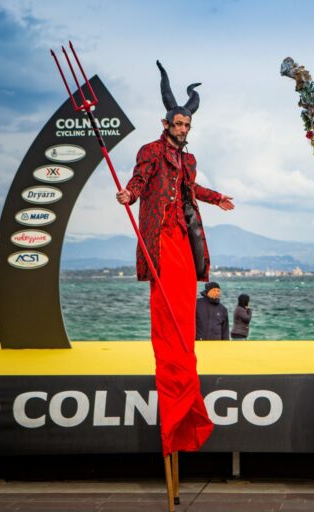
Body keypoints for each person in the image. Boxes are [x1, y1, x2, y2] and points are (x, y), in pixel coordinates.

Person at [116, 61, 234, 457]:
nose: (182, 129)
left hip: (183, 239)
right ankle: (175, 370)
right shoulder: (150, 151)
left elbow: (191, 189)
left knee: (183, 310)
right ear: (165, 123)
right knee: (166, 310)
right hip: (160, 237)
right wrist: (129, 195)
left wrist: (217, 198)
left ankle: (184, 355)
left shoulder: (188, 159)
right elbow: (139, 180)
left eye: (187, 125)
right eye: (178, 124)